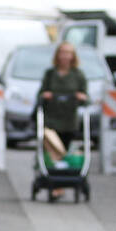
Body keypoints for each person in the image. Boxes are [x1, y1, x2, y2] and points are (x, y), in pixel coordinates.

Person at [37, 41, 88, 199]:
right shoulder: (50, 74)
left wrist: (81, 97)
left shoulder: (78, 75)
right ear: (57, 55)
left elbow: (86, 97)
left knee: (64, 152)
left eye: (68, 53)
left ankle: (60, 184)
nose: (65, 56)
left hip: (69, 120)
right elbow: (40, 94)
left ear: (73, 56)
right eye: (62, 52)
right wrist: (45, 96)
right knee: (52, 150)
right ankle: (56, 184)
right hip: (51, 120)